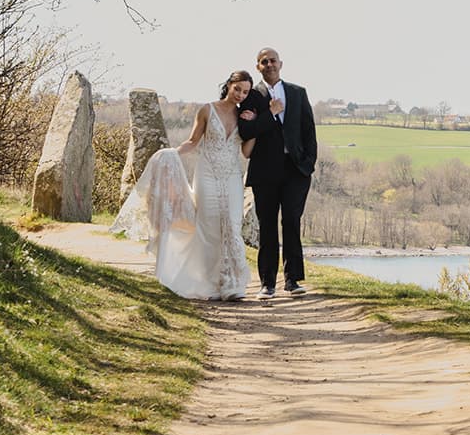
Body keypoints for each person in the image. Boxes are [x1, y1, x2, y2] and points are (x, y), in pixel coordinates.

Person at [112, 71, 254, 301]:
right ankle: (209, 283)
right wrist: (171, 154)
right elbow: (193, 141)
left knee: (232, 225)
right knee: (208, 227)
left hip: (232, 176)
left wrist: (254, 128)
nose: (240, 94)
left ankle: (232, 283)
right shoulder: (207, 110)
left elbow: (246, 152)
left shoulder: (245, 115)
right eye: (237, 88)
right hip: (207, 174)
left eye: (245, 91)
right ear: (228, 85)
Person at [237, 47, 317, 300]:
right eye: (264, 62)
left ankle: (293, 280)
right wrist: (268, 115)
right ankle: (267, 283)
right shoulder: (251, 97)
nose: (269, 64)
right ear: (258, 66)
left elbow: (308, 131)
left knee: (292, 222)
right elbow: (247, 132)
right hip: (264, 170)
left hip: (296, 170)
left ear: (280, 63)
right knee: (268, 226)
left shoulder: (297, 92)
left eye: (273, 60)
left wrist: (308, 164)